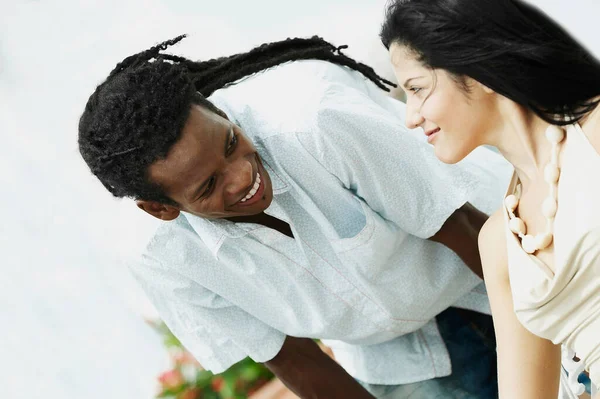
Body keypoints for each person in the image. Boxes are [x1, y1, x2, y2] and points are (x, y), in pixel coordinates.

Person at [78, 35, 511, 398]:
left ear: (221, 112)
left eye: (230, 143)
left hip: (496, 271)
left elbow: (465, 229)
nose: (242, 176)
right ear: (161, 208)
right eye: (208, 186)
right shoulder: (159, 256)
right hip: (397, 356)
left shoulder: (315, 123)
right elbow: (290, 357)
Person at [380, 1, 600, 398]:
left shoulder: (596, 134)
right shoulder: (499, 241)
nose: (410, 116)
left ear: (476, 71)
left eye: (416, 89)